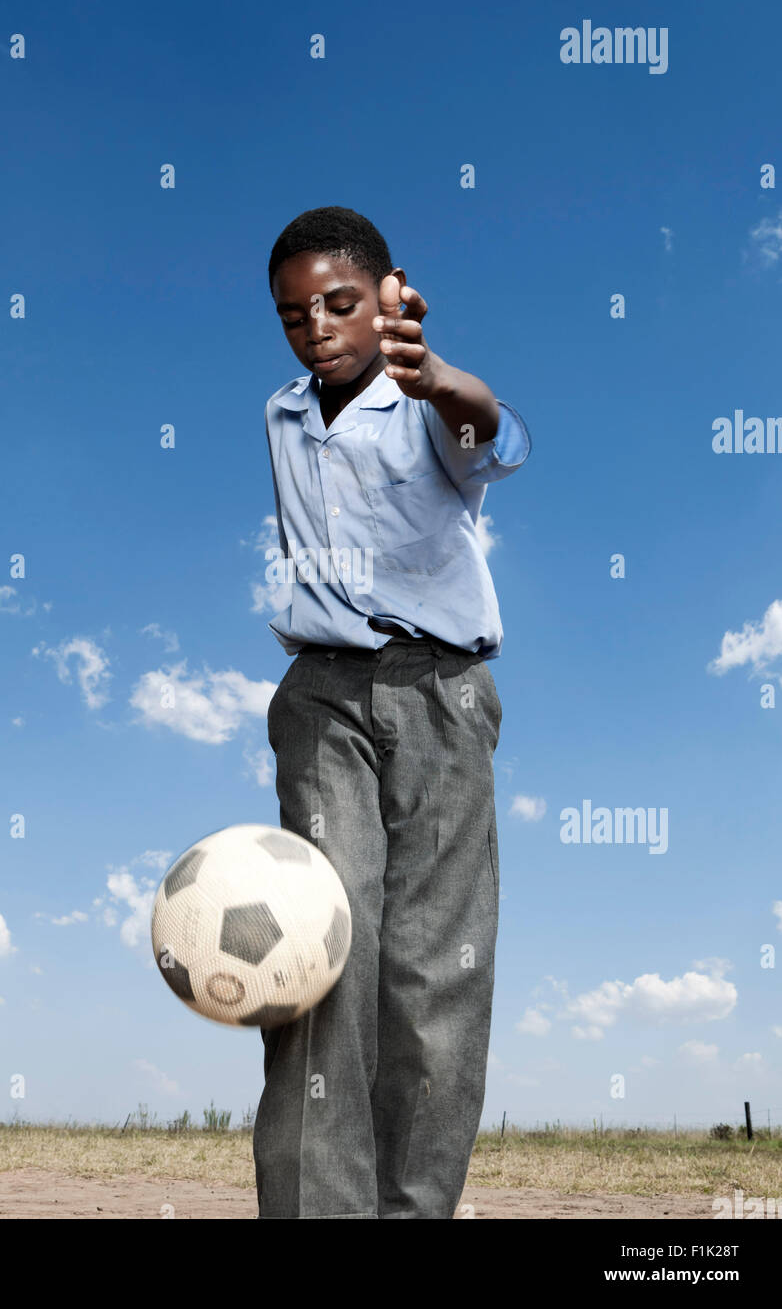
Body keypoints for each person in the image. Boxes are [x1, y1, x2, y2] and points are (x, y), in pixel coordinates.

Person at [255, 205, 531, 1219]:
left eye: (337, 303)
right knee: (317, 955)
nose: (317, 327)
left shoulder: (429, 400)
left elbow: (487, 437)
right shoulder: (281, 415)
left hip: (438, 694)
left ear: (387, 294)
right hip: (322, 697)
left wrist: (438, 378)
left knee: (431, 973)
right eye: (293, 315)